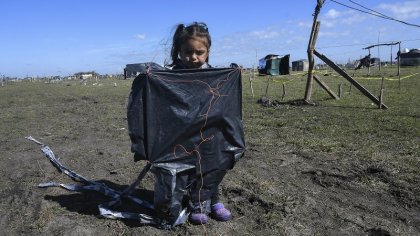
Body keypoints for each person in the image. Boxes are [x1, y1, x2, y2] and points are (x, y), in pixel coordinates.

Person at [166, 22, 232, 225]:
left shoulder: (215, 75)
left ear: (208, 52)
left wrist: (234, 77)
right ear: (179, 51)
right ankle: (197, 203)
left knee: (212, 167)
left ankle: (215, 200)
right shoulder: (170, 75)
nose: (193, 57)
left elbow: (224, 101)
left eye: (199, 52)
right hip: (182, 133)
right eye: (187, 52)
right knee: (190, 169)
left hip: (209, 132)